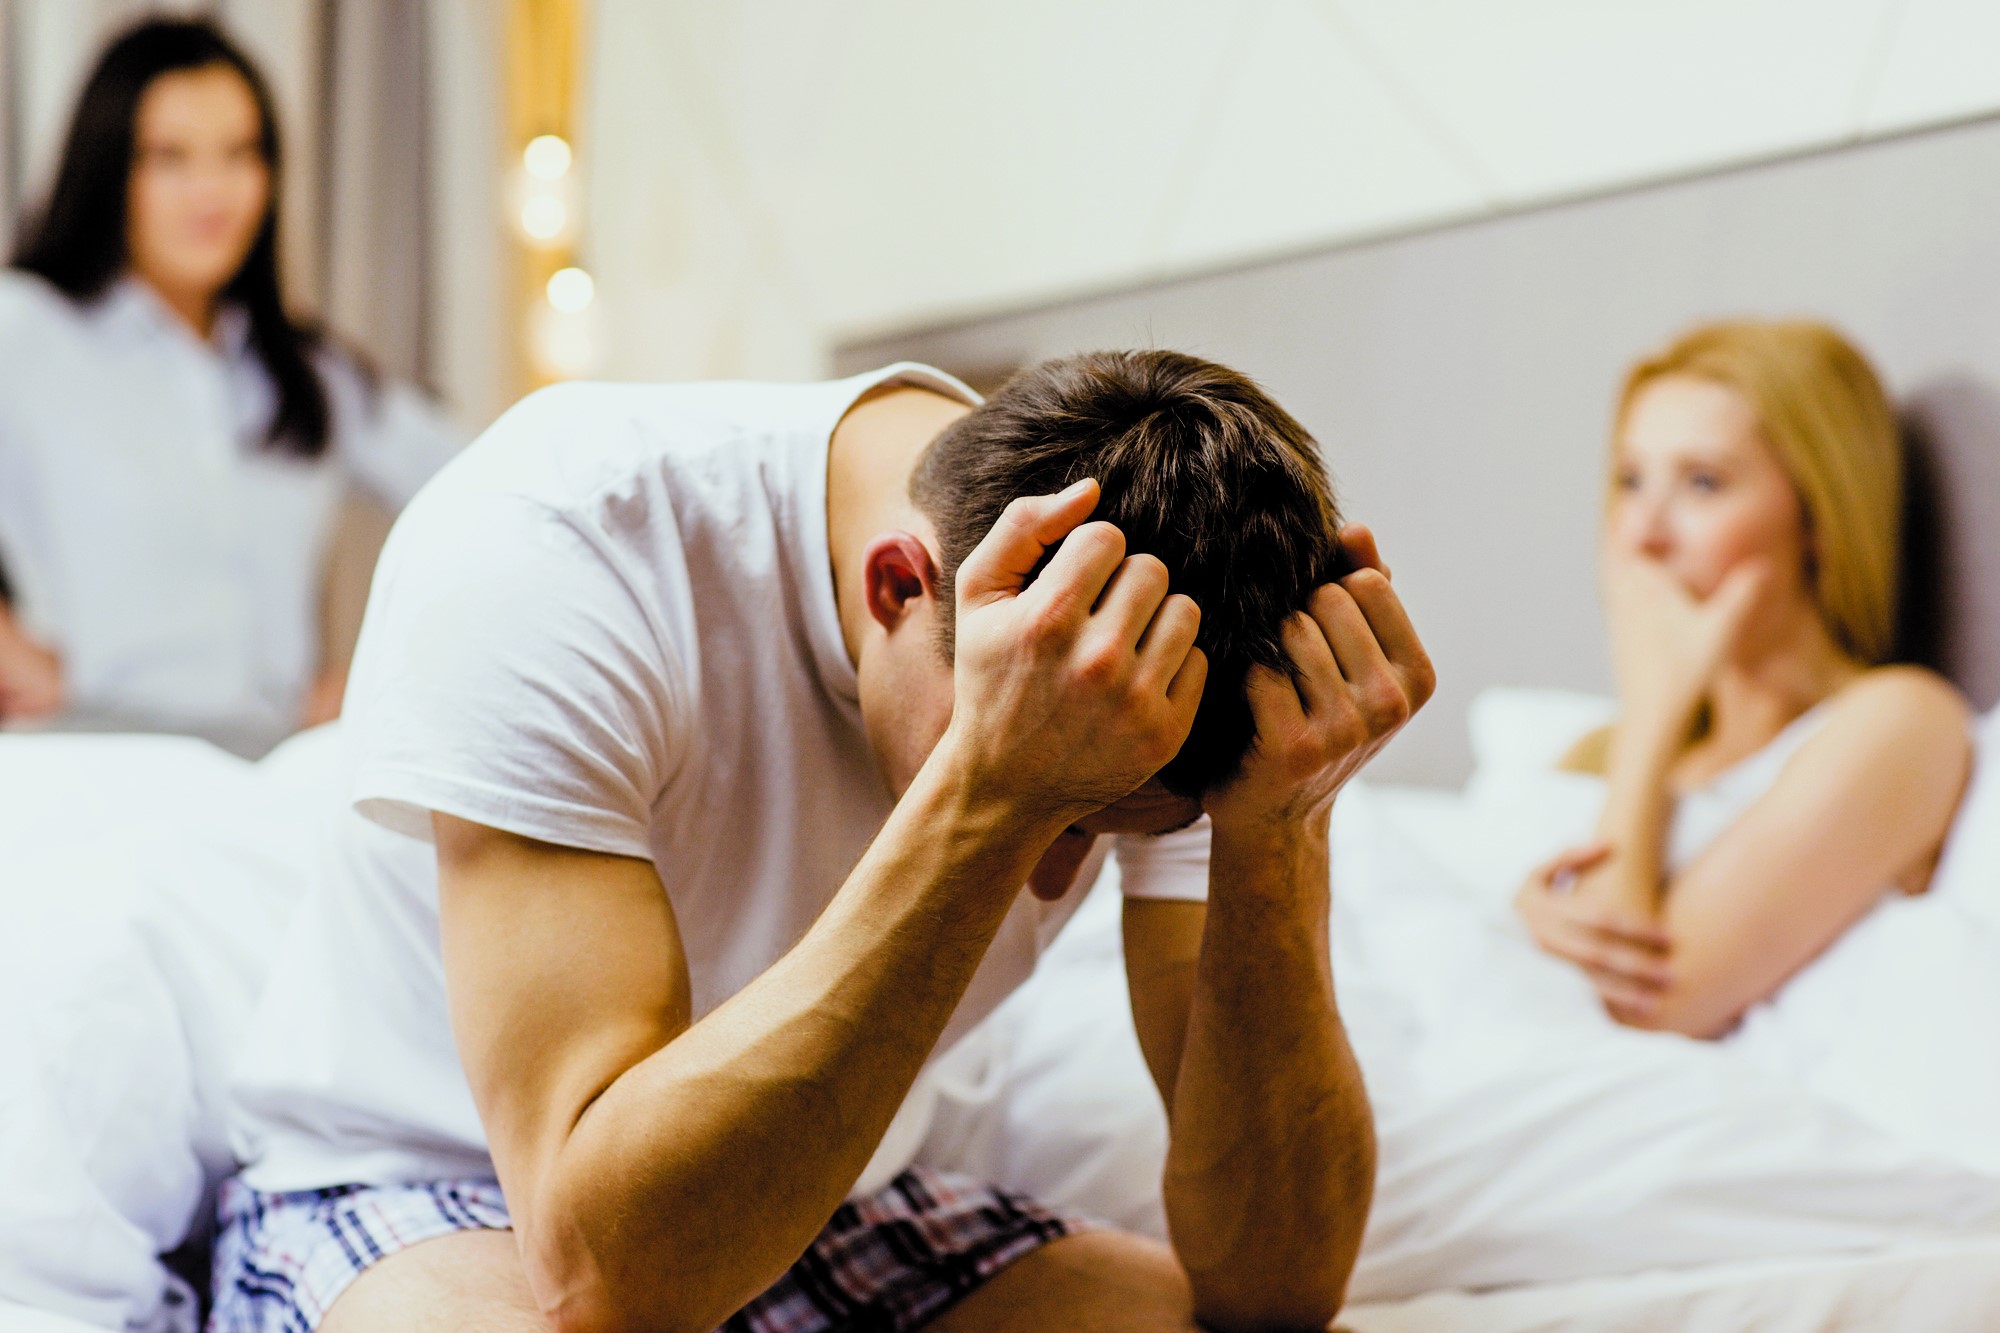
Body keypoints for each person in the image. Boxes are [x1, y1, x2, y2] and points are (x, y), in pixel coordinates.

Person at [217, 350, 1435, 1331]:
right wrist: (991, 799)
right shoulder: (560, 540)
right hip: (445, 1188)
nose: (1053, 876)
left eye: (1096, 827)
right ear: (896, 586)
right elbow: (604, 1279)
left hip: (822, 1195)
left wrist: (1278, 826)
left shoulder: (1138, 640)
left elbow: (1271, 1291)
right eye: (1053, 813)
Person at [0, 18, 462, 754]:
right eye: (169, 157)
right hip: (86, 757)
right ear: (109, 168)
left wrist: (398, 672)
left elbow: (489, 490)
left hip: (272, 772)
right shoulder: (25, 329)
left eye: (241, 153)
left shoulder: (309, 373)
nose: (212, 190)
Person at [1515, 319, 1972, 1038]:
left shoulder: (1900, 721)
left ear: (1818, 516)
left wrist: (1655, 704)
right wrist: (1523, 921)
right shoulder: (1594, 751)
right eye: (1631, 480)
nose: (1644, 533)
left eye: (1703, 483)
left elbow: (1645, 1002)